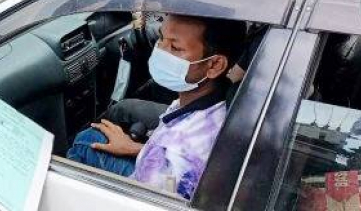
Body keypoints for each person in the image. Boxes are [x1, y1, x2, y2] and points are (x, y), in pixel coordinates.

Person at [67, 14, 246, 200]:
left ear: (215, 64)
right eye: (161, 37)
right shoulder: (211, 102)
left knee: (86, 141)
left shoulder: (183, 156)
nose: (160, 50)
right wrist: (137, 148)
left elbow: (141, 200)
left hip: (145, 188)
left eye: (175, 48)